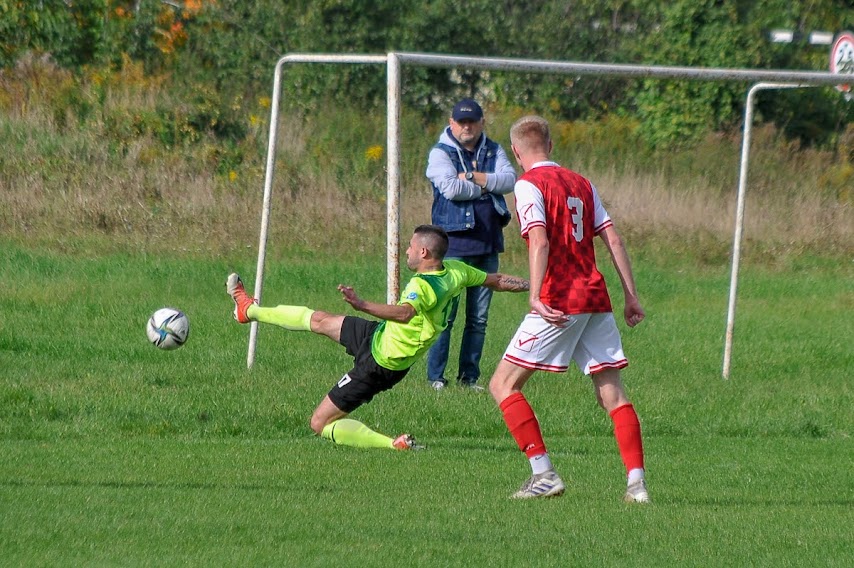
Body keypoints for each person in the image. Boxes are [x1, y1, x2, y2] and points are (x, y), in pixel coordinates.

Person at [226, 225, 529, 451]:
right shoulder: (456, 271)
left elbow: (404, 314)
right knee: (319, 320)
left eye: (410, 247)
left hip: (381, 364)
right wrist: (535, 285)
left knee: (319, 424)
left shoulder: (423, 285)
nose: (407, 251)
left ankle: (391, 444)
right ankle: (249, 310)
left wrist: (362, 304)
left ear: (424, 253)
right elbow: (497, 280)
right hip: (379, 337)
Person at [488, 115, 650, 503]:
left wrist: (535, 294)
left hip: (560, 300)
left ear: (515, 151)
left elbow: (539, 241)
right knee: (613, 394)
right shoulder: (582, 183)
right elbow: (613, 238)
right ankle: (637, 485)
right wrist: (631, 295)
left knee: (502, 384)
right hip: (596, 298)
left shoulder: (527, 185)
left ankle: (543, 474)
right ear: (551, 145)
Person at [425, 98, 517, 392]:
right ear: (451, 123)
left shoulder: (494, 149)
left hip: (487, 245)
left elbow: (510, 181)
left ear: (481, 123)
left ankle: (469, 379)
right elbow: (450, 189)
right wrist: (487, 185)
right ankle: (436, 378)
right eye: (461, 122)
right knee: (445, 317)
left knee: (478, 319)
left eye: (472, 121)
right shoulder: (440, 153)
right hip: (452, 248)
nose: (467, 127)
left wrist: (471, 177)